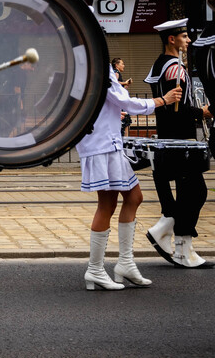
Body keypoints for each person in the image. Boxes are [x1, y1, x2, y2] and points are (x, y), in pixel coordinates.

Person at [77, 62, 180, 290]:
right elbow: (125, 101)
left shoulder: (88, 66)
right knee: (107, 205)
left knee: (134, 197)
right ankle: (95, 269)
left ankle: (125, 263)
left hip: (107, 143)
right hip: (103, 145)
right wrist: (162, 100)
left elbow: (112, 100)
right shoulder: (97, 67)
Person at [145, 18, 212, 268]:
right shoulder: (174, 68)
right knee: (197, 192)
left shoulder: (161, 64)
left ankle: (182, 247)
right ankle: (168, 231)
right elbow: (176, 110)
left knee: (190, 192)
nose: (189, 40)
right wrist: (201, 113)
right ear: (171, 39)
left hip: (170, 138)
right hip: (180, 140)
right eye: (184, 37)